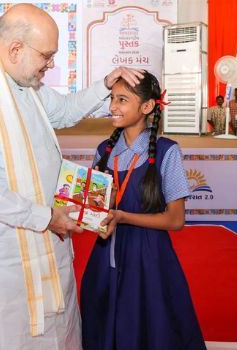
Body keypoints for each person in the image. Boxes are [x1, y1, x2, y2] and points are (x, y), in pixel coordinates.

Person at [0, 3, 143, 349]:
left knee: (55, 331)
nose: (50, 64)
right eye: (46, 55)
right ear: (16, 49)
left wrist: (105, 85)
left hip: (47, 237)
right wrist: (44, 217)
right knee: (8, 336)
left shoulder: (25, 87)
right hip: (4, 252)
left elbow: (64, 111)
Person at [80, 71, 205, 349]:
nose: (113, 106)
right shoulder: (104, 150)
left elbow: (175, 220)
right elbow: (94, 210)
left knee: (151, 329)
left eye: (123, 99)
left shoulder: (166, 151)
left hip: (149, 258)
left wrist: (122, 216)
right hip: (104, 256)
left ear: (147, 107)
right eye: (113, 98)